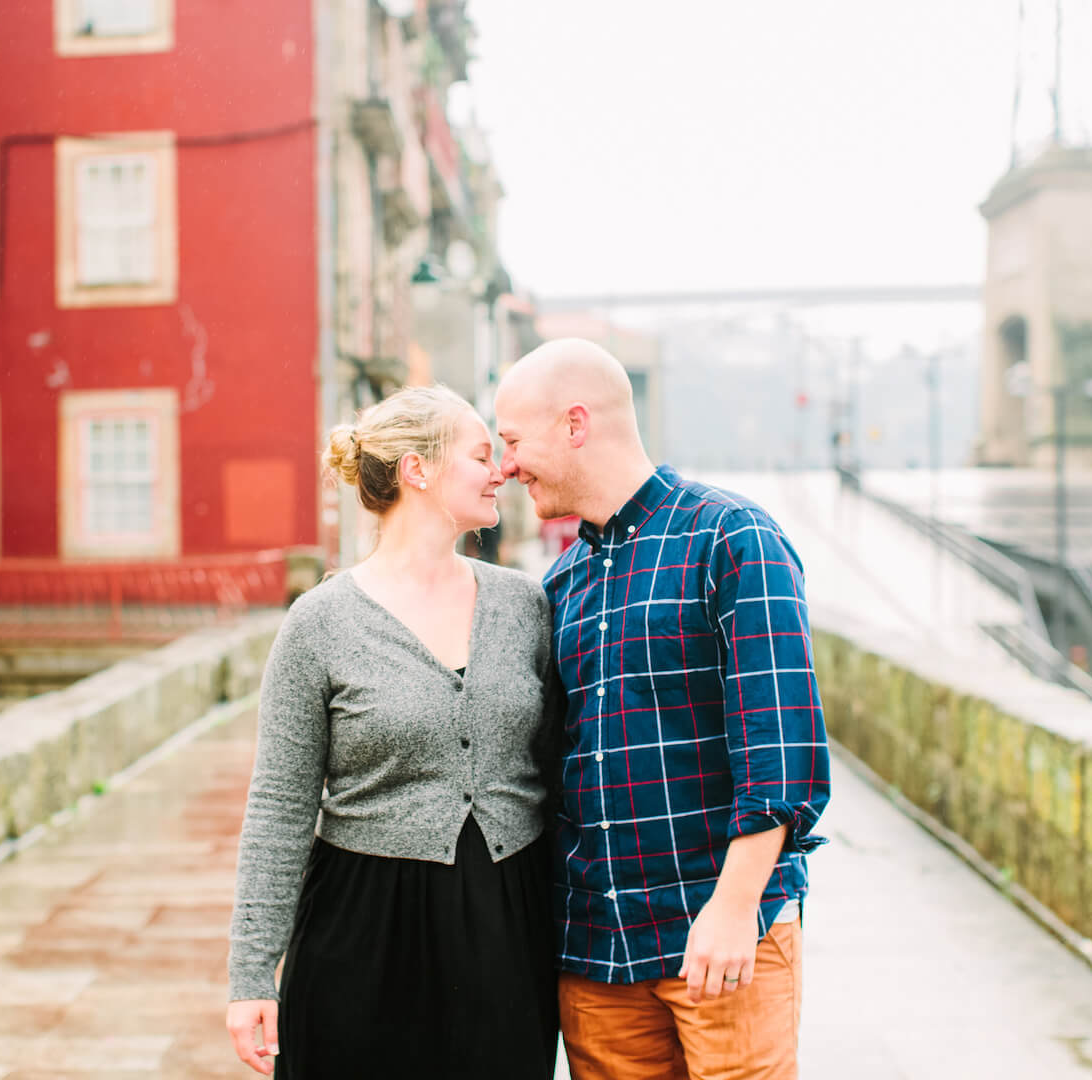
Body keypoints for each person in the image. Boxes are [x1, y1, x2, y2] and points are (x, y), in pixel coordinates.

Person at [495, 339, 832, 1080]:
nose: (506, 465)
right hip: (596, 956)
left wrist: (735, 908)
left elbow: (782, 750)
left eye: (514, 441)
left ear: (575, 424)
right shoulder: (561, 582)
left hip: (718, 938)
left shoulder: (733, 538)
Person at [225, 385, 559, 1079]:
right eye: (480, 455)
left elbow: (559, 773)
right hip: (361, 930)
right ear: (418, 471)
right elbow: (280, 807)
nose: (501, 470)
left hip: (506, 927)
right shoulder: (319, 625)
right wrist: (253, 974)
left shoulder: (526, 606)